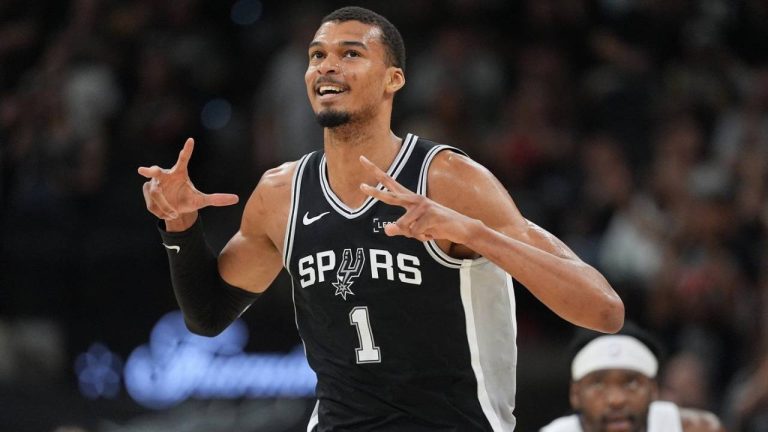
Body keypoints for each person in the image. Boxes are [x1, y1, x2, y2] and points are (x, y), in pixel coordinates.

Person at [138, 6, 624, 431]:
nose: (327, 65)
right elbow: (207, 316)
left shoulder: (449, 181)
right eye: (317, 55)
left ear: (393, 79)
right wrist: (179, 226)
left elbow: (603, 310)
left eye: (351, 54)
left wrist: (472, 233)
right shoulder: (281, 194)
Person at [540, 324, 725, 432]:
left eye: (632, 383)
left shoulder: (695, 428)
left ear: (654, 390)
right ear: (575, 394)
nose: (616, 400)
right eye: (598, 384)